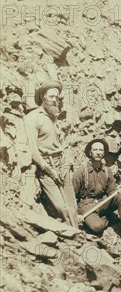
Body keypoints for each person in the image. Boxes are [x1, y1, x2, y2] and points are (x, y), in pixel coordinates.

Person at [24, 81, 78, 227]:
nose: (55, 100)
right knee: (62, 208)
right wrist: (50, 170)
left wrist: (65, 163)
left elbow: (61, 144)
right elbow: (33, 151)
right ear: (43, 97)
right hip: (46, 168)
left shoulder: (54, 116)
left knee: (72, 207)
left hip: (61, 165)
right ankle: (70, 240)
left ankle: (79, 237)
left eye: (57, 97)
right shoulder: (32, 118)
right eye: (51, 96)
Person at [72, 138, 121, 251]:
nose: (98, 152)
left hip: (102, 203)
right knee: (97, 227)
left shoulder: (107, 171)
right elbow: (71, 197)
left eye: (100, 150)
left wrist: (118, 190)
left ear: (103, 153)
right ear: (90, 152)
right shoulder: (80, 172)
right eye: (95, 150)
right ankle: (109, 218)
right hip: (86, 206)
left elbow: (112, 192)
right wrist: (75, 215)